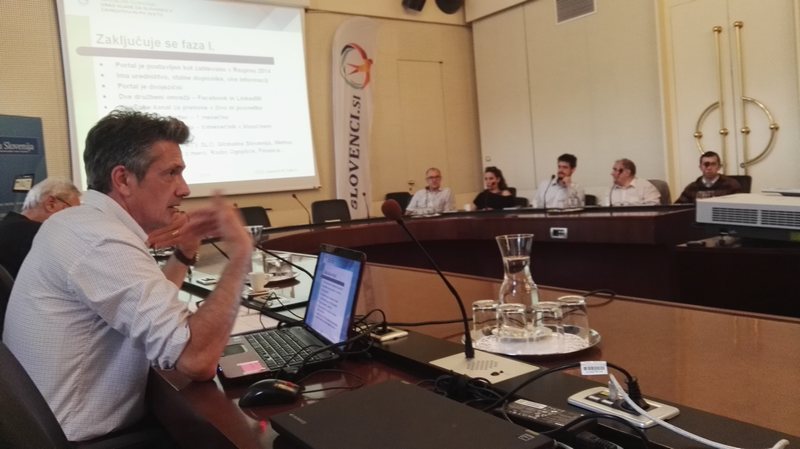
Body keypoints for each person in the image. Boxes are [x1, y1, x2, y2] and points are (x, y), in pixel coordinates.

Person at [3, 109, 253, 444]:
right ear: (122, 180)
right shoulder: (100, 240)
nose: (184, 189)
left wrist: (184, 252)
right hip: (86, 440)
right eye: (171, 173)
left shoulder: (77, 223)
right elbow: (197, 359)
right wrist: (241, 254)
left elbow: (145, 305)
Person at [0, 178, 81, 277]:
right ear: (51, 204)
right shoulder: (39, 235)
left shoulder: (7, 226)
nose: (75, 219)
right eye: (73, 212)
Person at [675, 151, 742, 203]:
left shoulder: (731, 185)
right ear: (700, 167)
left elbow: (741, 207)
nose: (709, 168)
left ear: (719, 167)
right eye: (706, 164)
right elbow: (679, 208)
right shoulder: (692, 187)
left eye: (713, 164)